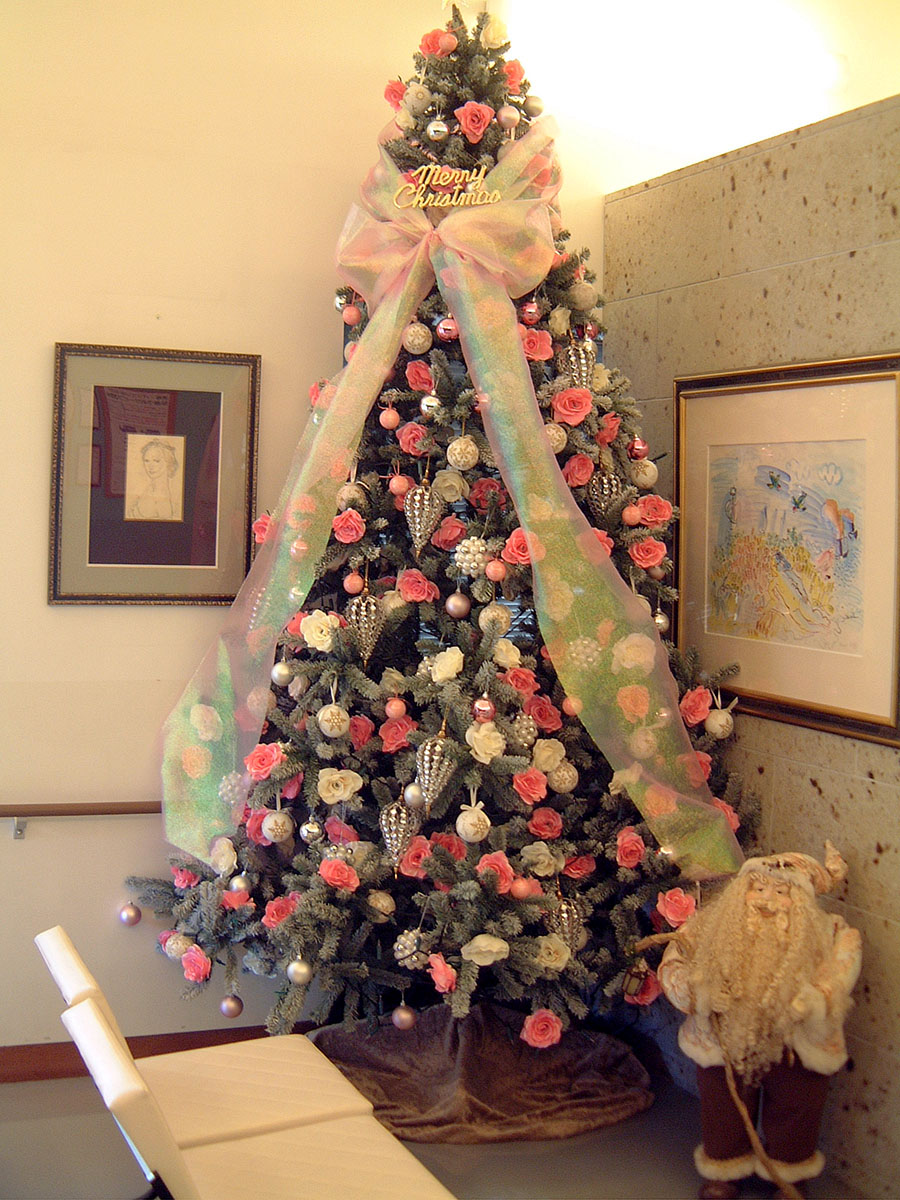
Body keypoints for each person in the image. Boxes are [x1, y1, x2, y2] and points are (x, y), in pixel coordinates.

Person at [657, 843, 861, 1199]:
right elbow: (674, 962)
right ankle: (725, 1167)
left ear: (802, 899)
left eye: (781, 892)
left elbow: (842, 970)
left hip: (796, 1043)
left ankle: (789, 1173)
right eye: (759, 888)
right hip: (724, 1038)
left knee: (797, 1106)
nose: (767, 899)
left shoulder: (832, 932)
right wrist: (700, 993)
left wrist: (813, 1000)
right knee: (722, 1104)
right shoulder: (709, 925)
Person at [127, 438, 180, 520]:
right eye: (146, 461)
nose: (150, 466)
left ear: (168, 461)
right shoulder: (137, 495)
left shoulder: (177, 494)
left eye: (156, 461)